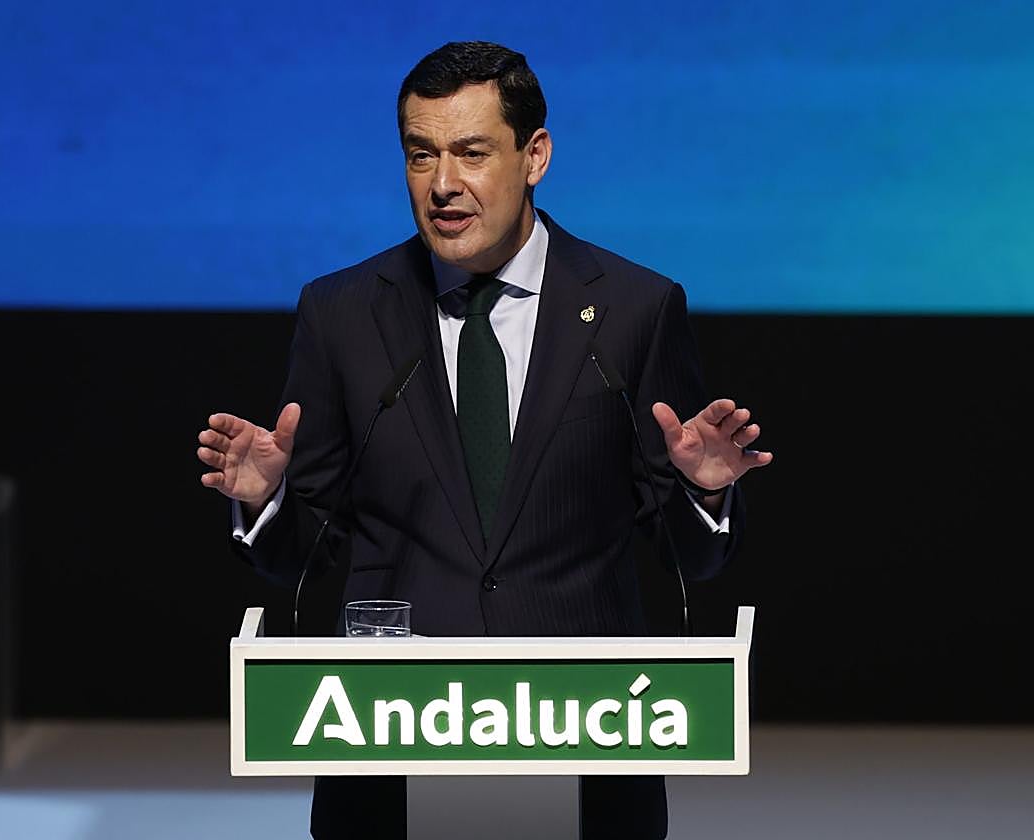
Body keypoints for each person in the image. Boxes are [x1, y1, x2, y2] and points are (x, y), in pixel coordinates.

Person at [198, 41, 771, 840]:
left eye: (471, 153)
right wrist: (266, 504)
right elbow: (303, 554)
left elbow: (690, 560)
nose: (442, 186)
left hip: (588, 740)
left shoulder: (637, 310)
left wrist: (705, 493)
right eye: (420, 154)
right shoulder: (342, 313)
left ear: (534, 155)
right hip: (389, 745)